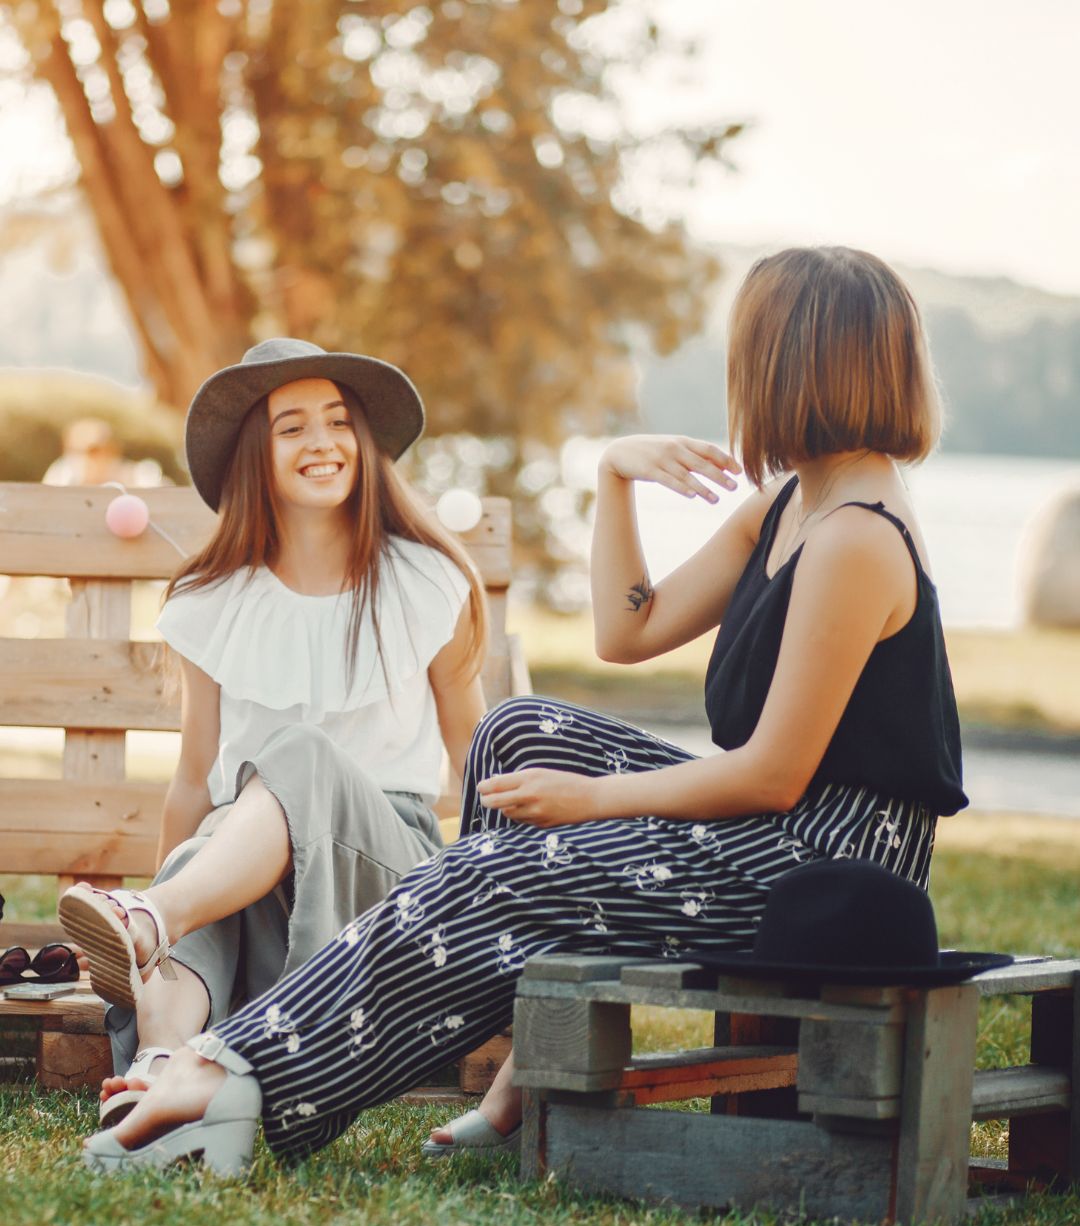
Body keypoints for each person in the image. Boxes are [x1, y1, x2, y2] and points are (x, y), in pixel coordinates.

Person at [77, 246, 968, 1176]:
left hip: (822, 867)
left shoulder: (856, 540)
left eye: (749, 354)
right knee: (517, 731)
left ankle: (233, 1076)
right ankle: (518, 1059)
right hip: (777, 829)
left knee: (499, 871)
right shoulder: (790, 508)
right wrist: (614, 476)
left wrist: (590, 803)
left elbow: (775, 776)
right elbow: (627, 632)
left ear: (794, 368)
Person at [59, 339, 488, 1128]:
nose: (322, 441)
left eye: (338, 420)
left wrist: (487, 910)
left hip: (383, 878)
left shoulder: (426, 581)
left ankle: (155, 919)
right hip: (248, 877)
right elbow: (195, 777)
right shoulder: (211, 599)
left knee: (298, 754)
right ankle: (162, 1063)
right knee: (211, 845)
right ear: (256, 454)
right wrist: (173, 879)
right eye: (293, 427)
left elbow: (475, 758)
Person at [43, 417, 168, 488]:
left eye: (93, 451)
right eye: (75, 451)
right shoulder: (62, 475)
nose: (84, 458)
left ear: (112, 451)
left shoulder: (136, 476)